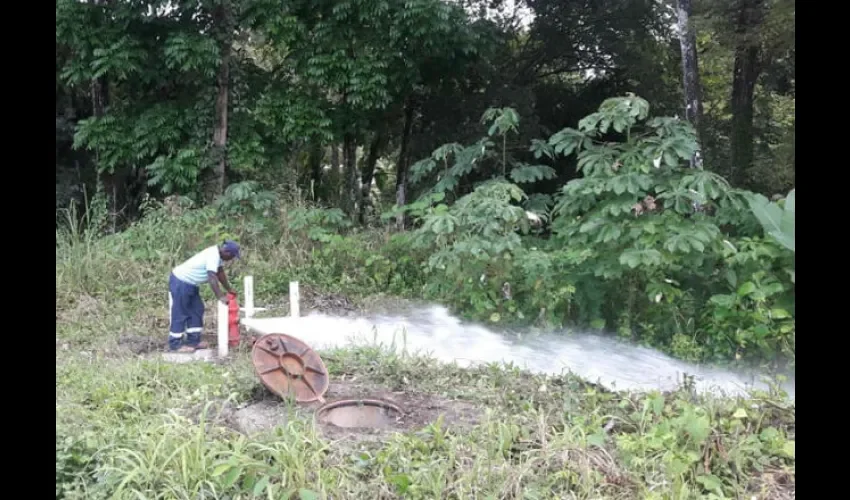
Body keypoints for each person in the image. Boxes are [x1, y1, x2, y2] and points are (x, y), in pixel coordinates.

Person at [167, 240, 240, 352]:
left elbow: (220, 273)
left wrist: (228, 288)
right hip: (180, 281)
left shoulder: (218, 255)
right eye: (232, 256)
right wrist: (220, 296)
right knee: (180, 312)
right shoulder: (213, 255)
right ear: (227, 252)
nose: (231, 260)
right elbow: (212, 277)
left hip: (191, 283)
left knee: (197, 309)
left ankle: (193, 341)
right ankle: (175, 344)